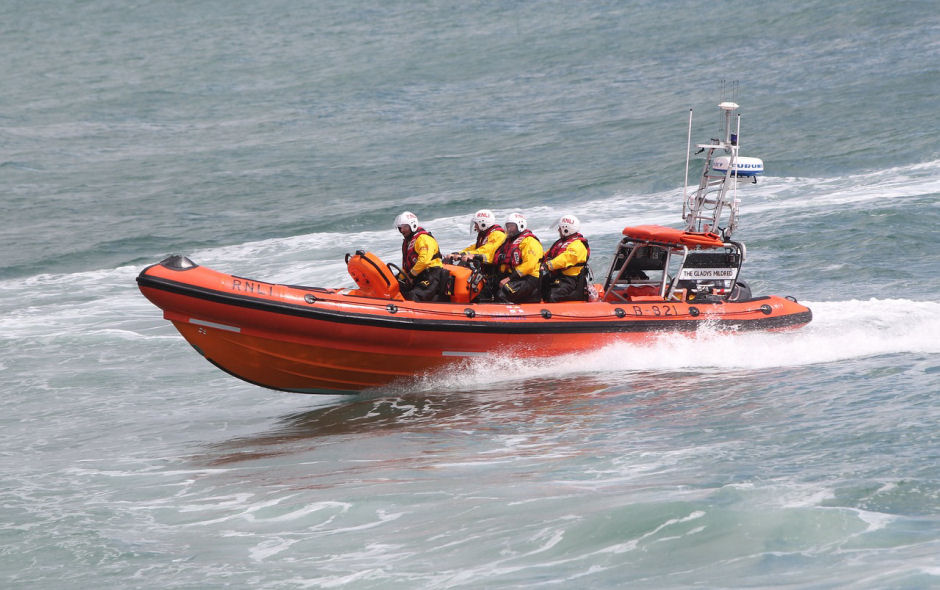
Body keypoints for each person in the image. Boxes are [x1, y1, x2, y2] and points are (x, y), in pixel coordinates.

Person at [445, 209, 507, 301]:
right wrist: (459, 253)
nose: (475, 227)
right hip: (486, 272)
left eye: (476, 224)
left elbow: (486, 249)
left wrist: (466, 255)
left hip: (495, 274)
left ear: (483, 223)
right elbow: (474, 247)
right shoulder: (486, 235)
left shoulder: (497, 235)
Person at [394, 211, 447, 302]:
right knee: (396, 287)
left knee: (413, 296)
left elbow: (424, 261)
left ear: (413, 225)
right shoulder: (408, 242)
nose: (402, 230)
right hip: (418, 275)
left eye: (405, 227)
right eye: (400, 228)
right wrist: (398, 279)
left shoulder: (423, 238)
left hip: (431, 275)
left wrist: (411, 275)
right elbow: (407, 267)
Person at [494, 212, 543, 303]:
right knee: (489, 285)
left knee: (503, 293)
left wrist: (509, 279)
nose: (509, 229)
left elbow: (529, 265)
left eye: (512, 226)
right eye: (507, 226)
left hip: (528, 278)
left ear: (520, 226)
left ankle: (509, 313)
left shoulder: (530, 242)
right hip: (514, 276)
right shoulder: (509, 241)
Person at [542, 214, 591, 302]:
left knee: (552, 295)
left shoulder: (578, 245)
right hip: (558, 276)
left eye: (560, 228)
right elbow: (548, 255)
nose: (558, 230)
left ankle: (551, 312)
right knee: (538, 284)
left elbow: (565, 258)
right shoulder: (561, 243)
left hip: (570, 280)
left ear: (566, 229)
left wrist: (548, 265)